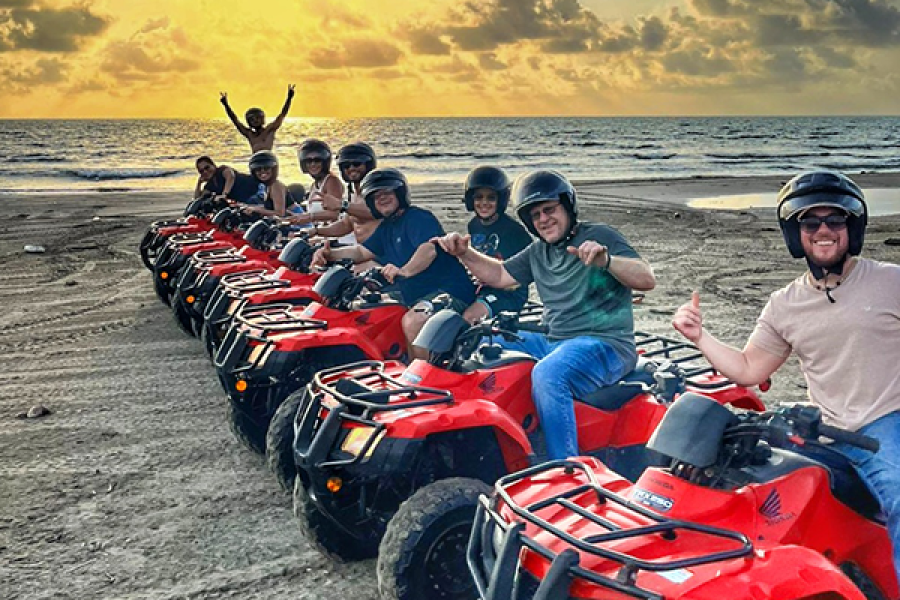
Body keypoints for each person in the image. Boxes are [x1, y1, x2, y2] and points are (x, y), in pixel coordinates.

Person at [671, 170, 900, 580]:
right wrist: (699, 336)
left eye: (836, 221)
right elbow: (748, 368)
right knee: (759, 492)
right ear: (797, 233)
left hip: (886, 421)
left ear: (853, 228)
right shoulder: (784, 304)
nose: (824, 231)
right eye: (811, 223)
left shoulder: (890, 281)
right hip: (825, 428)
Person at [434, 170, 656, 460]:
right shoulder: (538, 251)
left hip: (606, 345)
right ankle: (488, 441)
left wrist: (607, 261)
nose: (543, 219)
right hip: (553, 340)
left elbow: (646, 278)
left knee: (548, 375)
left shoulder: (598, 236)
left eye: (549, 210)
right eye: (535, 214)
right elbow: (500, 275)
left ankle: (565, 466)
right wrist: (465, 253)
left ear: (568, 206)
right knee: (483, 343)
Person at [311, 167, 476, 353]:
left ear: (400, 194)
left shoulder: (418, 218)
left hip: (451, 291)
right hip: (413, 292)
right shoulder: (387, 227)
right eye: (376, 195)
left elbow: (428, 249)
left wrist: (404, 270)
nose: (382, 197)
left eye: (387, 192)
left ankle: (418, 378)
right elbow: (361, 252)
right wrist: (329, 254)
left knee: (413, 321)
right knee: (365, 307)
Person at [459, 166, 533, 323]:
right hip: (481, 287)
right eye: (478, 197)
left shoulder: (514, 231)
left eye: (491, 198)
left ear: (501, 200)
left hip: (508, 293)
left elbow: (527, 271)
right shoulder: (473, 225)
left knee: (469, 317)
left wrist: (493, 278)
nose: (484, 203)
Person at [301, 141, 380, 246]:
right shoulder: (353, 194)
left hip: (377, 253)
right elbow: (345, 225)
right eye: (346, 166)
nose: (351, 168)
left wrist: (342, 205)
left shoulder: (376, 190)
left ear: (368, 165)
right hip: (359, 250)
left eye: (357, 164)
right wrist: (315, 231)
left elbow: (375, 212)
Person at [219, 85, 295, 152]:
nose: (255, 121)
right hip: (256, 163)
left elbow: (282, 114)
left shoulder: (270, 129)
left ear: (262, 118)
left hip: (269, 161)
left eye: (257, 118)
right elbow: (235, 120)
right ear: (248, 122)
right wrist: (226, 105)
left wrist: (289, 98)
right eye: (252, 119)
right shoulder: (249, 134)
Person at [231, 150, 301, 218]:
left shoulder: (275, 186)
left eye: (266, 168)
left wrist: (256, 210)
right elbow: (268, 207)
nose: (263, 171)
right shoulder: (266, 186)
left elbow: (280, 213)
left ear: (273, 169)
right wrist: (246, 206)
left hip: (297, 222)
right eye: (258, 169)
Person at [193, 156, 260, 202]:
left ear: (213, 165)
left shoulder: (222, 170)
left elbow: (230, 176)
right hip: (245, 199)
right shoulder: (210, 185)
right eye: (201, 171)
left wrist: (224, 194)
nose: (205, 171)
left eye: (207, 167)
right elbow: (198, 199)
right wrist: (199, 183)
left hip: (257, 190)